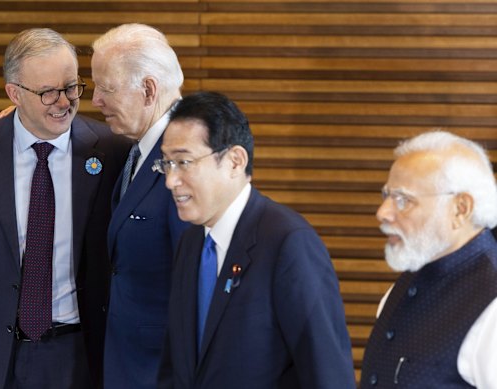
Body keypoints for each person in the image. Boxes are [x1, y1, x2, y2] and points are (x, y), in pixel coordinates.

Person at [0, 28, 129, 389]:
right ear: (14, 93)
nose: (63, 102)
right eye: (47, 92)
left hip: (83, 355)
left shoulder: (112, 150)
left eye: (71, 87)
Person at [155, 91, 356, 388]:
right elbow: (176, 366)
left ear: (235, 161)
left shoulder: (288, 243)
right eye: (167, 164)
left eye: (183, 162)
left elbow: (326, 372)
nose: (171, 180)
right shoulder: (191, 242)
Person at [90, 24, 190, 389]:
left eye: (106, 88)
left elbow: (197, 287)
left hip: (160, 371)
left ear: (148, 90)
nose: (96, 100)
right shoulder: (137, 147)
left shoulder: (187, 158)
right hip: (127, 365)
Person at [360, 131, 497, 388]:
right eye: (387, 196)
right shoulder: (403, 286)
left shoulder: (491, 301)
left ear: (460, 208)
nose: (383, 212)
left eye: (403, 200)